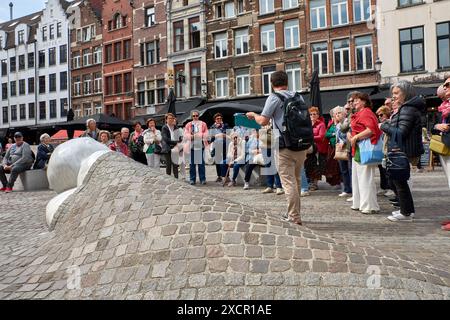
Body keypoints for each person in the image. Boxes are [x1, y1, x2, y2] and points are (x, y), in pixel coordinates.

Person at [246, 70, 307, 225]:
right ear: (287, 82)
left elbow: (263, 121)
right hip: (302, 144)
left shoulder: (274, 97)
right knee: (297, 179)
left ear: (272, 83)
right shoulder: (298, 96)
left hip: (284, 145)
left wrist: (254, 115)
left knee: (288, 182)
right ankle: (295, 213)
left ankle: (294, 217)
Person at [381, 81, 425, 222]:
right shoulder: (407, 108)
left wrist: (383, 126)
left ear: (406, 93)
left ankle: (406, 213)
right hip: (402, 150)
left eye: (396, 93)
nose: (393, 97)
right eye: (392, 93)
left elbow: (401, 132)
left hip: (404, 150)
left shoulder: (407, 109)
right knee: (399, 182)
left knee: (399, 182)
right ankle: (406, 210)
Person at [349, 92, 382, 214]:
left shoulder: (366, 112)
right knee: (358, 179)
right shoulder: (359, 113)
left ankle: (369, 205)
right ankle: (359, 203)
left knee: (365, 178)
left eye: (357, 100)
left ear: (364, 101)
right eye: (353, 100)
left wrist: (356, 137)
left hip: (364, 148)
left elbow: (371, 130)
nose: (354, 102)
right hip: (358, 149)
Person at [435, 78, 450, 230]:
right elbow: (436, 126)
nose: (445, 88)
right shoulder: (444, 107)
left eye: (447, 85)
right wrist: (438, 125)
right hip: (445, 146)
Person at [304, 106, 327, 191]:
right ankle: (308, 182)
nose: (312, 116)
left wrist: (311, 137)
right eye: (311, 114)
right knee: (308, 165)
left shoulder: (321, 124)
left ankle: (315, 183)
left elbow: (321, 136)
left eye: (314, 114)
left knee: (316, 166)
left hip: (318, 149)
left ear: (318, 115)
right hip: (308, 149)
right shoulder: (307, 125)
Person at [183, 110, 208, 185]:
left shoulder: (203, 124)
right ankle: (192, 179)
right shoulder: (188, 125)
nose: (195, 117)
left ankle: (202, 179)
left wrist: (199, 135)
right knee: (192, 164)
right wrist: (192, 136)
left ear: (198, 116)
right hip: (191, 146)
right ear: (192, 117)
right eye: (194, 116)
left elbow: (206, 133)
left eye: (196, 115)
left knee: (201, 164)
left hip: (200, 145)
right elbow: (185, 134)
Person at [376, 105, 395, 197]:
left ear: (387, 114)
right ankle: (384, 187)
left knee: (388, 171)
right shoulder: (382, 125)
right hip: (382, 150)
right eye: (378, 115)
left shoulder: (389, 123)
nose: (379, 117)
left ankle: (391, 188)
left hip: (388, 150)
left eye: (381, 115)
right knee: (382, 170)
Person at [333, 106, 352, 197]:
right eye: (336, 114)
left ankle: (351, 189)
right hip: (340, 150)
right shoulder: (337, 125)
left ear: (344, 114)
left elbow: (349, 133)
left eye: (339, 113)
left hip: (347, 148)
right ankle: (346, 189)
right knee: (343, 170)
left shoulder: (347, 122)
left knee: (350, 170)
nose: (337, 115)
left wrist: (343, 142)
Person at [324, 107, 343, 188]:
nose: (335, 117)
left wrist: (333, 134)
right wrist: (333, 134)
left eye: (336, 115)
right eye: (334, 115)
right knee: (331, 165)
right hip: (331, 148)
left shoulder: (341, 124)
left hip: (339, 147)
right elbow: (326, 134)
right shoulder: (331, 125)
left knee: (338, 166)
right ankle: (335, 182)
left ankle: (341, 181)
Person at [209, 113, 229, 183]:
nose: (219, 120)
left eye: (220, 118)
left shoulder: (225, 125)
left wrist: (222, 133)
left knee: (225, 161)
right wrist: (215, 136)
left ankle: (227, 176)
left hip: (225, 145)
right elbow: (211, 139)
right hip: (217, 146)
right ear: (215, 120)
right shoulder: (212, 127)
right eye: (217, 119)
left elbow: (227, 134)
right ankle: (219, 176)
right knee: (217, 162)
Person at [161, 113, 180, 179]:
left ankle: (176, 179)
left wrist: (176, 126)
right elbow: (166, 139)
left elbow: (178, 137)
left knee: (175, 164)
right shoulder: (164, 127)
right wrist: (176, 142)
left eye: (172, 118)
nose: (171, 120)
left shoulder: (175, 127)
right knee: (168, 165)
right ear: (166, 120)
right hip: (167, 148)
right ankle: (168, 179)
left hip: (175, 148)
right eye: (169, 118)